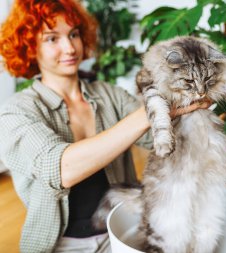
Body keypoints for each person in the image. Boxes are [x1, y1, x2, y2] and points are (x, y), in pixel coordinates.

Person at [0, 1, 209, 252]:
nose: (69, 47)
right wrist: (148, 114)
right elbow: (60, 169)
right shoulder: (16, 111)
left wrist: (189, 103)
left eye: (74, 34)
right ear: (30, 47)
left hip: (122, 232)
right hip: (62, 245)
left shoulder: (109, 94)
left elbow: (162, 138)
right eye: (52, 39)